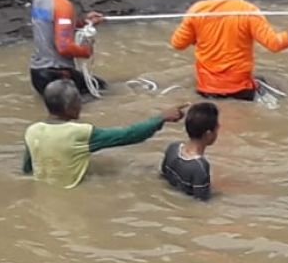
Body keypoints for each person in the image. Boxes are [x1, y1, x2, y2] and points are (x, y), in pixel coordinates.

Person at [22, 81, 186, 189]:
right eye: (78, 101)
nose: (81, 105)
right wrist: (161, 117)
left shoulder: (32, 131)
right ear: (70, 106)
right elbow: (129, 135)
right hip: (75, 192)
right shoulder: (79, 133)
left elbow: (27, 170)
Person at [29, 0, 107, 98]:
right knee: (103, 91)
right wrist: (86, 50)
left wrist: (84, 22)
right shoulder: (63, 5)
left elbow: (51, 25)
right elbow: (64, 47)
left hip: (38, 74)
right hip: (57, 74)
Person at [161, 102, 219, 201]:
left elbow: (163, 176)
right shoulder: (200, 166)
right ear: (208, 134)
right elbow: (201, 201)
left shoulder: (173, 148)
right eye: (217, 128)